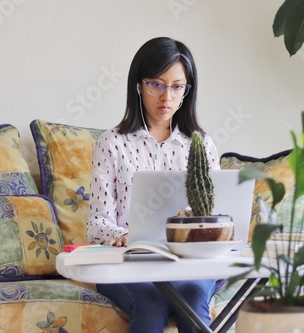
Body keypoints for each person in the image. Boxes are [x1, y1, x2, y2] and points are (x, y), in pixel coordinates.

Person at [87, 37, 220, 333]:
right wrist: (125, 236)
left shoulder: (201, 145)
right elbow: (96, 223)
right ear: (138, 85)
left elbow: (217, 214)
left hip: (190, 266)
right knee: (152, 302)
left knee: (193, 297)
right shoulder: (112, 144)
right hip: (129, 265)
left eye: (177, 87)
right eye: (156, 85)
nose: (167, 97)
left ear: (188, 90)